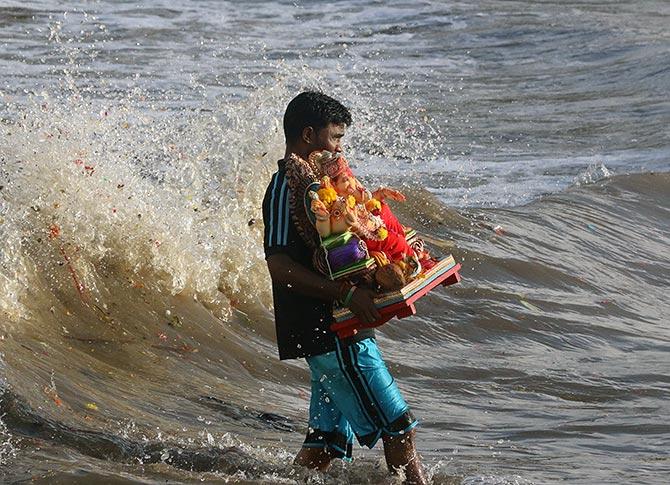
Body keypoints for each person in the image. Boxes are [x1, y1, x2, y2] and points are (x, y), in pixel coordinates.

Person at [262, 91, 427, 484]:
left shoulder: (322, 186)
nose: (339, 147)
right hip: (331, 331)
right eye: (333, 138)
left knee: (324, 445)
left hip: (339, 327)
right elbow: (278, 265)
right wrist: (348, 295)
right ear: (307, 135)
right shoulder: (287, 189)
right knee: (399, 425)